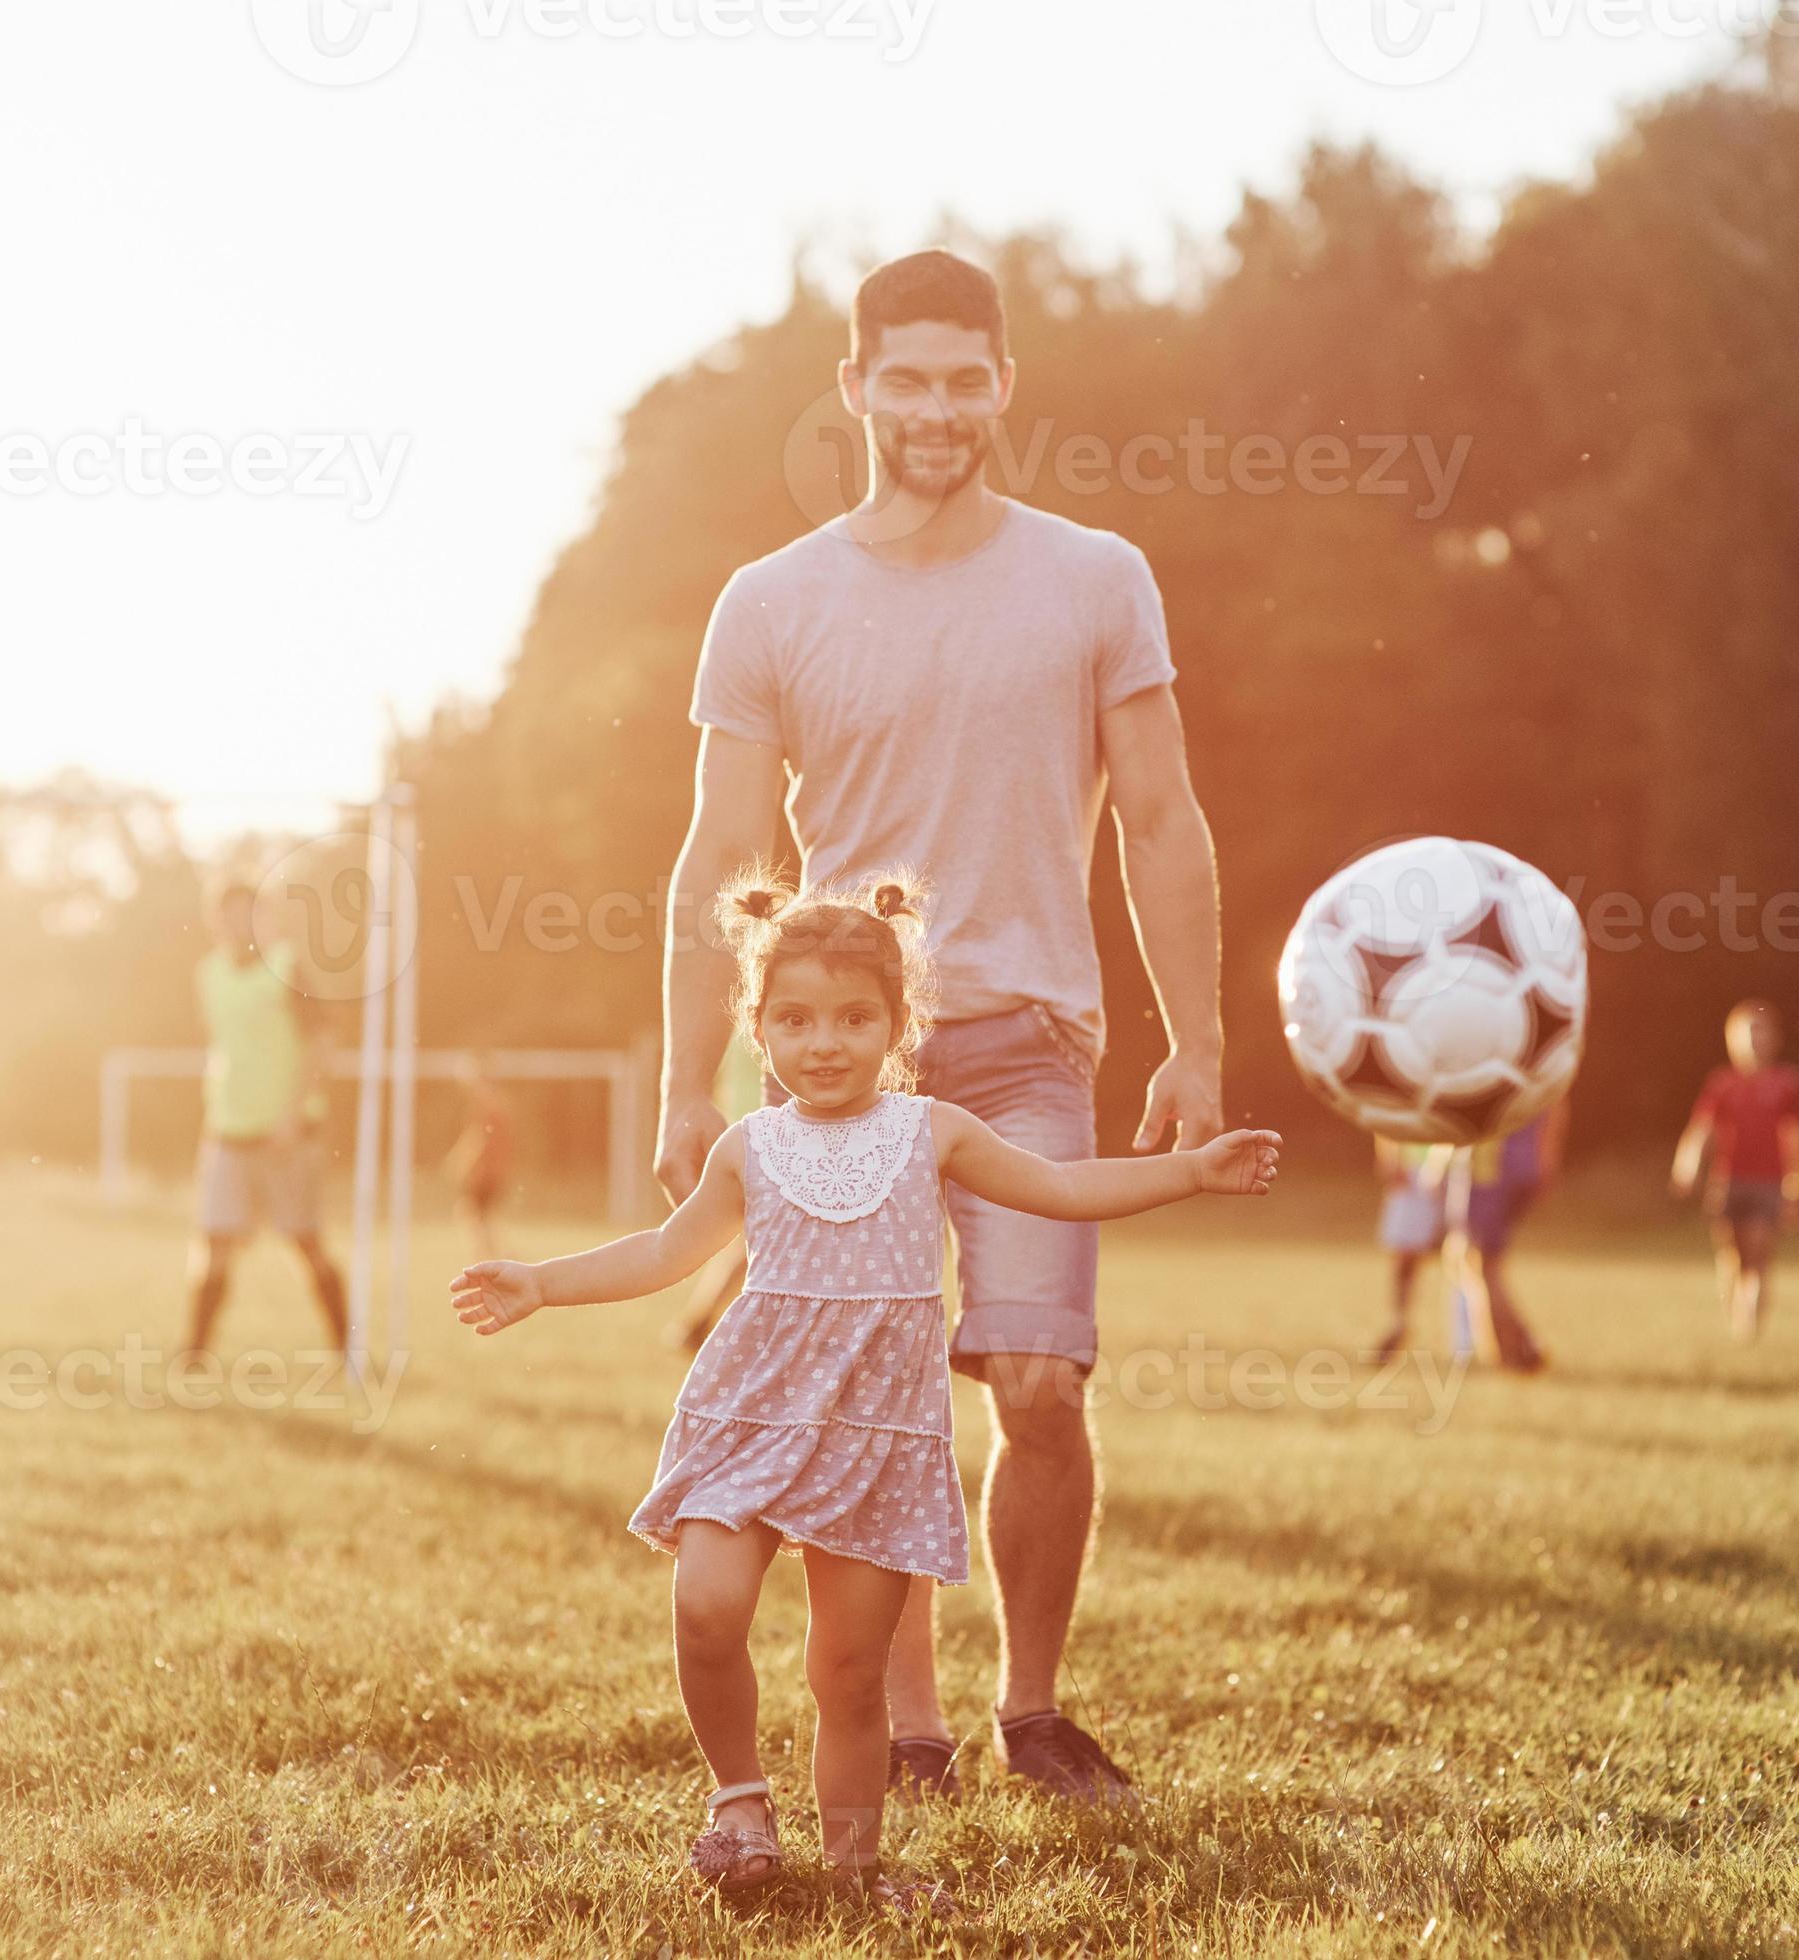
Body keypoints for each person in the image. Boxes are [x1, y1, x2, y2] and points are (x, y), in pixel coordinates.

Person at [652, 249, 1225, 1802]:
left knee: (1038, 1384)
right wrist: (684, 1081)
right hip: (848, 1070)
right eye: (902, 378)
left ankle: (1029, 1709)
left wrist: (1201, 1042)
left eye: (963, 377)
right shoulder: (771, 602)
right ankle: (907, 1738)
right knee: (871, 1389)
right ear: (852, 391)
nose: (934, 409)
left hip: (1036, 1038)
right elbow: (719, 857)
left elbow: (1162, 822)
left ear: (1004, 388)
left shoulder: (1096, 576)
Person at [452, 875, 1279, 1905]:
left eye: (853, 1017)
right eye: (793, 1019)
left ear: (898, 1024)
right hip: (747, 1419)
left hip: (873, 1438)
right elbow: (666, 1251)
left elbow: (1063, 1189)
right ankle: (740, 1803)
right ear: (758, 1029)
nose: (824, 1042)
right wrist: (540, 1281)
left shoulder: (931, 1130)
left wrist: (1189, 1173)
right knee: (705, 1603)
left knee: (847, 1672)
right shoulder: (748, 1145)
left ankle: (853, 1867)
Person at [183, 878, 348, 1363]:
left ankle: (344, 1347)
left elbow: (321, 1045)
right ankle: (195, 1351)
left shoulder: (287, 967)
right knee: (214, 1242)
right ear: (215, 921)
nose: (236, 925)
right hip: (227, 1129)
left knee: (306, 1242)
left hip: (286, 1135)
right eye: (227, 915)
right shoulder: (208, 973)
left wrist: (292, 1117)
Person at [1670, 1002, 1799, 1341]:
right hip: (1728, 1180)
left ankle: (1749, 1325)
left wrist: (1798, 1180)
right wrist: (1686, 1165)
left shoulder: (1786, 1083)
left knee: (1758, 1249)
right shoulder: (1722, 1084)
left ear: (1774, 1040)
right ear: (1732, 1041)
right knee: (1732, 1254)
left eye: (1761, 1033)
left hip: (1769, 1182)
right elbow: (1702, 1129)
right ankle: (1735, 1311)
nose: (1753, 1041)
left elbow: (1797, 1135)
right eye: (1746, 1034)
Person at [666, 1035, 768, 1352]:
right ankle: (699, 1322)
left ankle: (698, 1322)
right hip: (759, 1130)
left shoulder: (736, 1023)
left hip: (737, 1126)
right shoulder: (763, 1016)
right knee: (758, 1238)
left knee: (752, 1239)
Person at [1453, 1102, 1567, 1375]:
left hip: (1489, 1169)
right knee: (1481, 1263)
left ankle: (1516, 1351)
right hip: (1519, 1165)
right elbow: (1557, 1104)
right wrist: (1546, 1156)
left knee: (1481, 1264)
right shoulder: (1531, 1064)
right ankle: (1515, 1347)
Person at [1370, 1138, 1452, 1362]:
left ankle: (1466, 1340)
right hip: (1412, 1167)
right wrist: (1388, 1156)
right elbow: (1386, 1112)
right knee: (1405, 1255)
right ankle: (1398, 1323)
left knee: (1465, 1256)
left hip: (1457, 1167)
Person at [446, 1077, 519, 1261]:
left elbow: (479, 1140)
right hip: (494, 1172)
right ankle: (501, 1256)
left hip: (485, 1174)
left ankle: (486, 1259)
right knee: (483, 1218)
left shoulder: (487, 1110)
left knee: (470, 1214)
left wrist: (463, 1162)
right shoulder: (497, 1108)